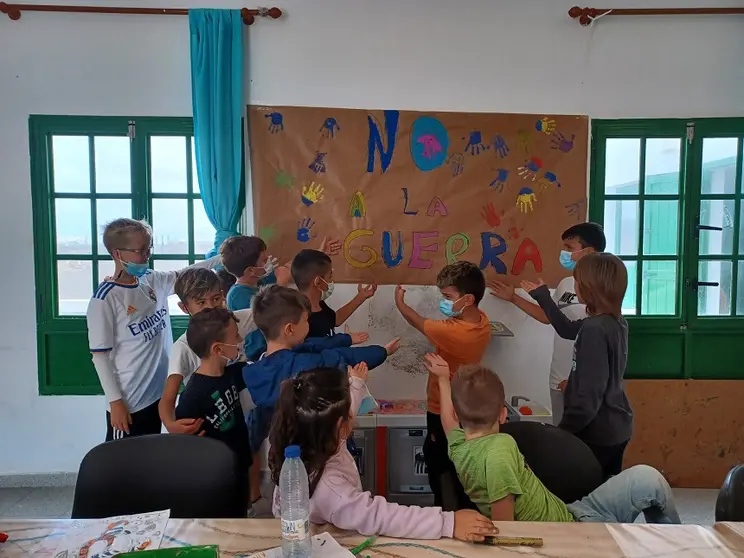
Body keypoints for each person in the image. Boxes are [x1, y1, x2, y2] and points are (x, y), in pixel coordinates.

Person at [426, 354, 679, 524]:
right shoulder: (500, 450)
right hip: (572, 530)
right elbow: (506, 528)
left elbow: (446, 419)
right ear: (504, 415)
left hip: (573, 511)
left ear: (460, 416)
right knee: (650, 480)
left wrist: (442, 379)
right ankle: (680, 547)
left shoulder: (458, 446)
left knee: (644, 477)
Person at [269, 365, 498, 541]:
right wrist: (449, 523)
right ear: (340, 425)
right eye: (349, 414)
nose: (353, 415)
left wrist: (357, 384)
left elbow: (345, 410)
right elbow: (382, 517)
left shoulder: (310, 436)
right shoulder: (331, 489)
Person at [243, 285, 399, 511]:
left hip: (287, 457)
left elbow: (315, 344)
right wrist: (382, 352)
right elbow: (340, 357)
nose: (310, 326)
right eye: (307, 321)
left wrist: (346, 338)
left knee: (299, 505)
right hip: (320, 450)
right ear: (289, 329)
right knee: (335, 501)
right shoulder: (305, 365)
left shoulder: (255, 368)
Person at [86, 218, 220, 441]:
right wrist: (115, 402)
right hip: (131, 400)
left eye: (149, 248)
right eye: (141, 251)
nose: (147, 255)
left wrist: (220, 260)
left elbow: (183, 274)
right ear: (118, 254)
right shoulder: (106, 299)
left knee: (150, 456)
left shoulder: (150, 280)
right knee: (125, 463)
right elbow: (100, 357)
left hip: (158, 391)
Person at [523, 252, 633, 480]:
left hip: (597, 431)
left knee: (587, 497)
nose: (574, 286)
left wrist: (561, 433)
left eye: (577, 281)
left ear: (589, 287)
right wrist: (543, 296)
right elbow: (566, 329)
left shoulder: (595, 329)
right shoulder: (614, 321)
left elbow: (589, 397)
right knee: (606, 492)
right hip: (616, 425)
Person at [394, 261, 490, 510]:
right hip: (463, 405)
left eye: (448, 296)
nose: (443, 301)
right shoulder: (481, 322)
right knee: (454, 464)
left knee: (442, 466)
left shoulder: (456, 332)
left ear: (468, 299)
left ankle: (449, 516)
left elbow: (416, 321)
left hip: (443, 407)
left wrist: (400, 302)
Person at [488, 222, 606, 425]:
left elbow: (581, 334)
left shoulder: (605, 291)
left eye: (570, 248)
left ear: (589, 251)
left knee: (583, 440)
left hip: (582, 381)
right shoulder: (566, 284)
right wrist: (514, 298)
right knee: (562, 435)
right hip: (558, 376)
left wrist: (578, 381)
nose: (564, 253)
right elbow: (549, 317)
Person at [158, 268, 262, 435]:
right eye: (201, 302)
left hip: (244, 415)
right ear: (184, 307)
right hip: (215, 426)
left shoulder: (236, 320)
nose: (210, 307)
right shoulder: (183, 347)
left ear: (222, 295)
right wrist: (170, 424)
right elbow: (168, 398)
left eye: (215, 299)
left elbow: (272, 314)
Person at [175, 308, 252, 513]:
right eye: (236, 336)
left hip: (239, 464)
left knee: (239, 513)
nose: (240, 339)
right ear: (218, 349)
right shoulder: (192, 396)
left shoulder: (233, 373)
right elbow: (185, 447)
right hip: (215, 477)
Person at [290, 248, 376, 338]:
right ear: (318, 282)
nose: (332, 280)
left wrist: (360, 297)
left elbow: (335, 320)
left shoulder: (320, 305)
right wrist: (345, 341)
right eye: (330, 276)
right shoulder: (300, 319)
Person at [220, 235, 291, 311]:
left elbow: (284, 271)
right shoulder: (238, 296)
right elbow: (270, 316)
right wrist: (281, 285)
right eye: (264, 260)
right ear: (251, 271)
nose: (268, 260)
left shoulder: (260, 280)